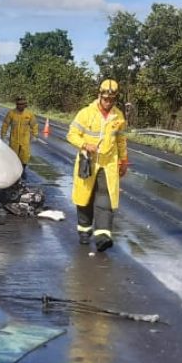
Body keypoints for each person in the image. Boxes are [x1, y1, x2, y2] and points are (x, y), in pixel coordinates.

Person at [66, 79, 128, 251]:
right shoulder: (86, 113)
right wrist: (85, 145)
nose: (108, 102)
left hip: (108, 163)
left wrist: (123, 160)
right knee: (85, 196)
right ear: (99, 96)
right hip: (88, 161)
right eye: (106, 99)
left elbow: (121, 140)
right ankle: (84, 231)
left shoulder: (118, 116)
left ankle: (103, 236)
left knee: (105, 196)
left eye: (112, 99)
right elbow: (71, 135)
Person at [0, 96, 39, 174]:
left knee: (24, 155)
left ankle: (23, 169)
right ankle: (13, 170)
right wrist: (3, 134)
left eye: (22, 104)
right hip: (14, 139)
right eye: (19, 104)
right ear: (16, 104)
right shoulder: (11, 113)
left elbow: (34, 125)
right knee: (13, 155)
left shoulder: (29, 114)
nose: (20, 106)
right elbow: (5, 124)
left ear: (25, 105)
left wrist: (35, 135)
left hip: (25, 139)